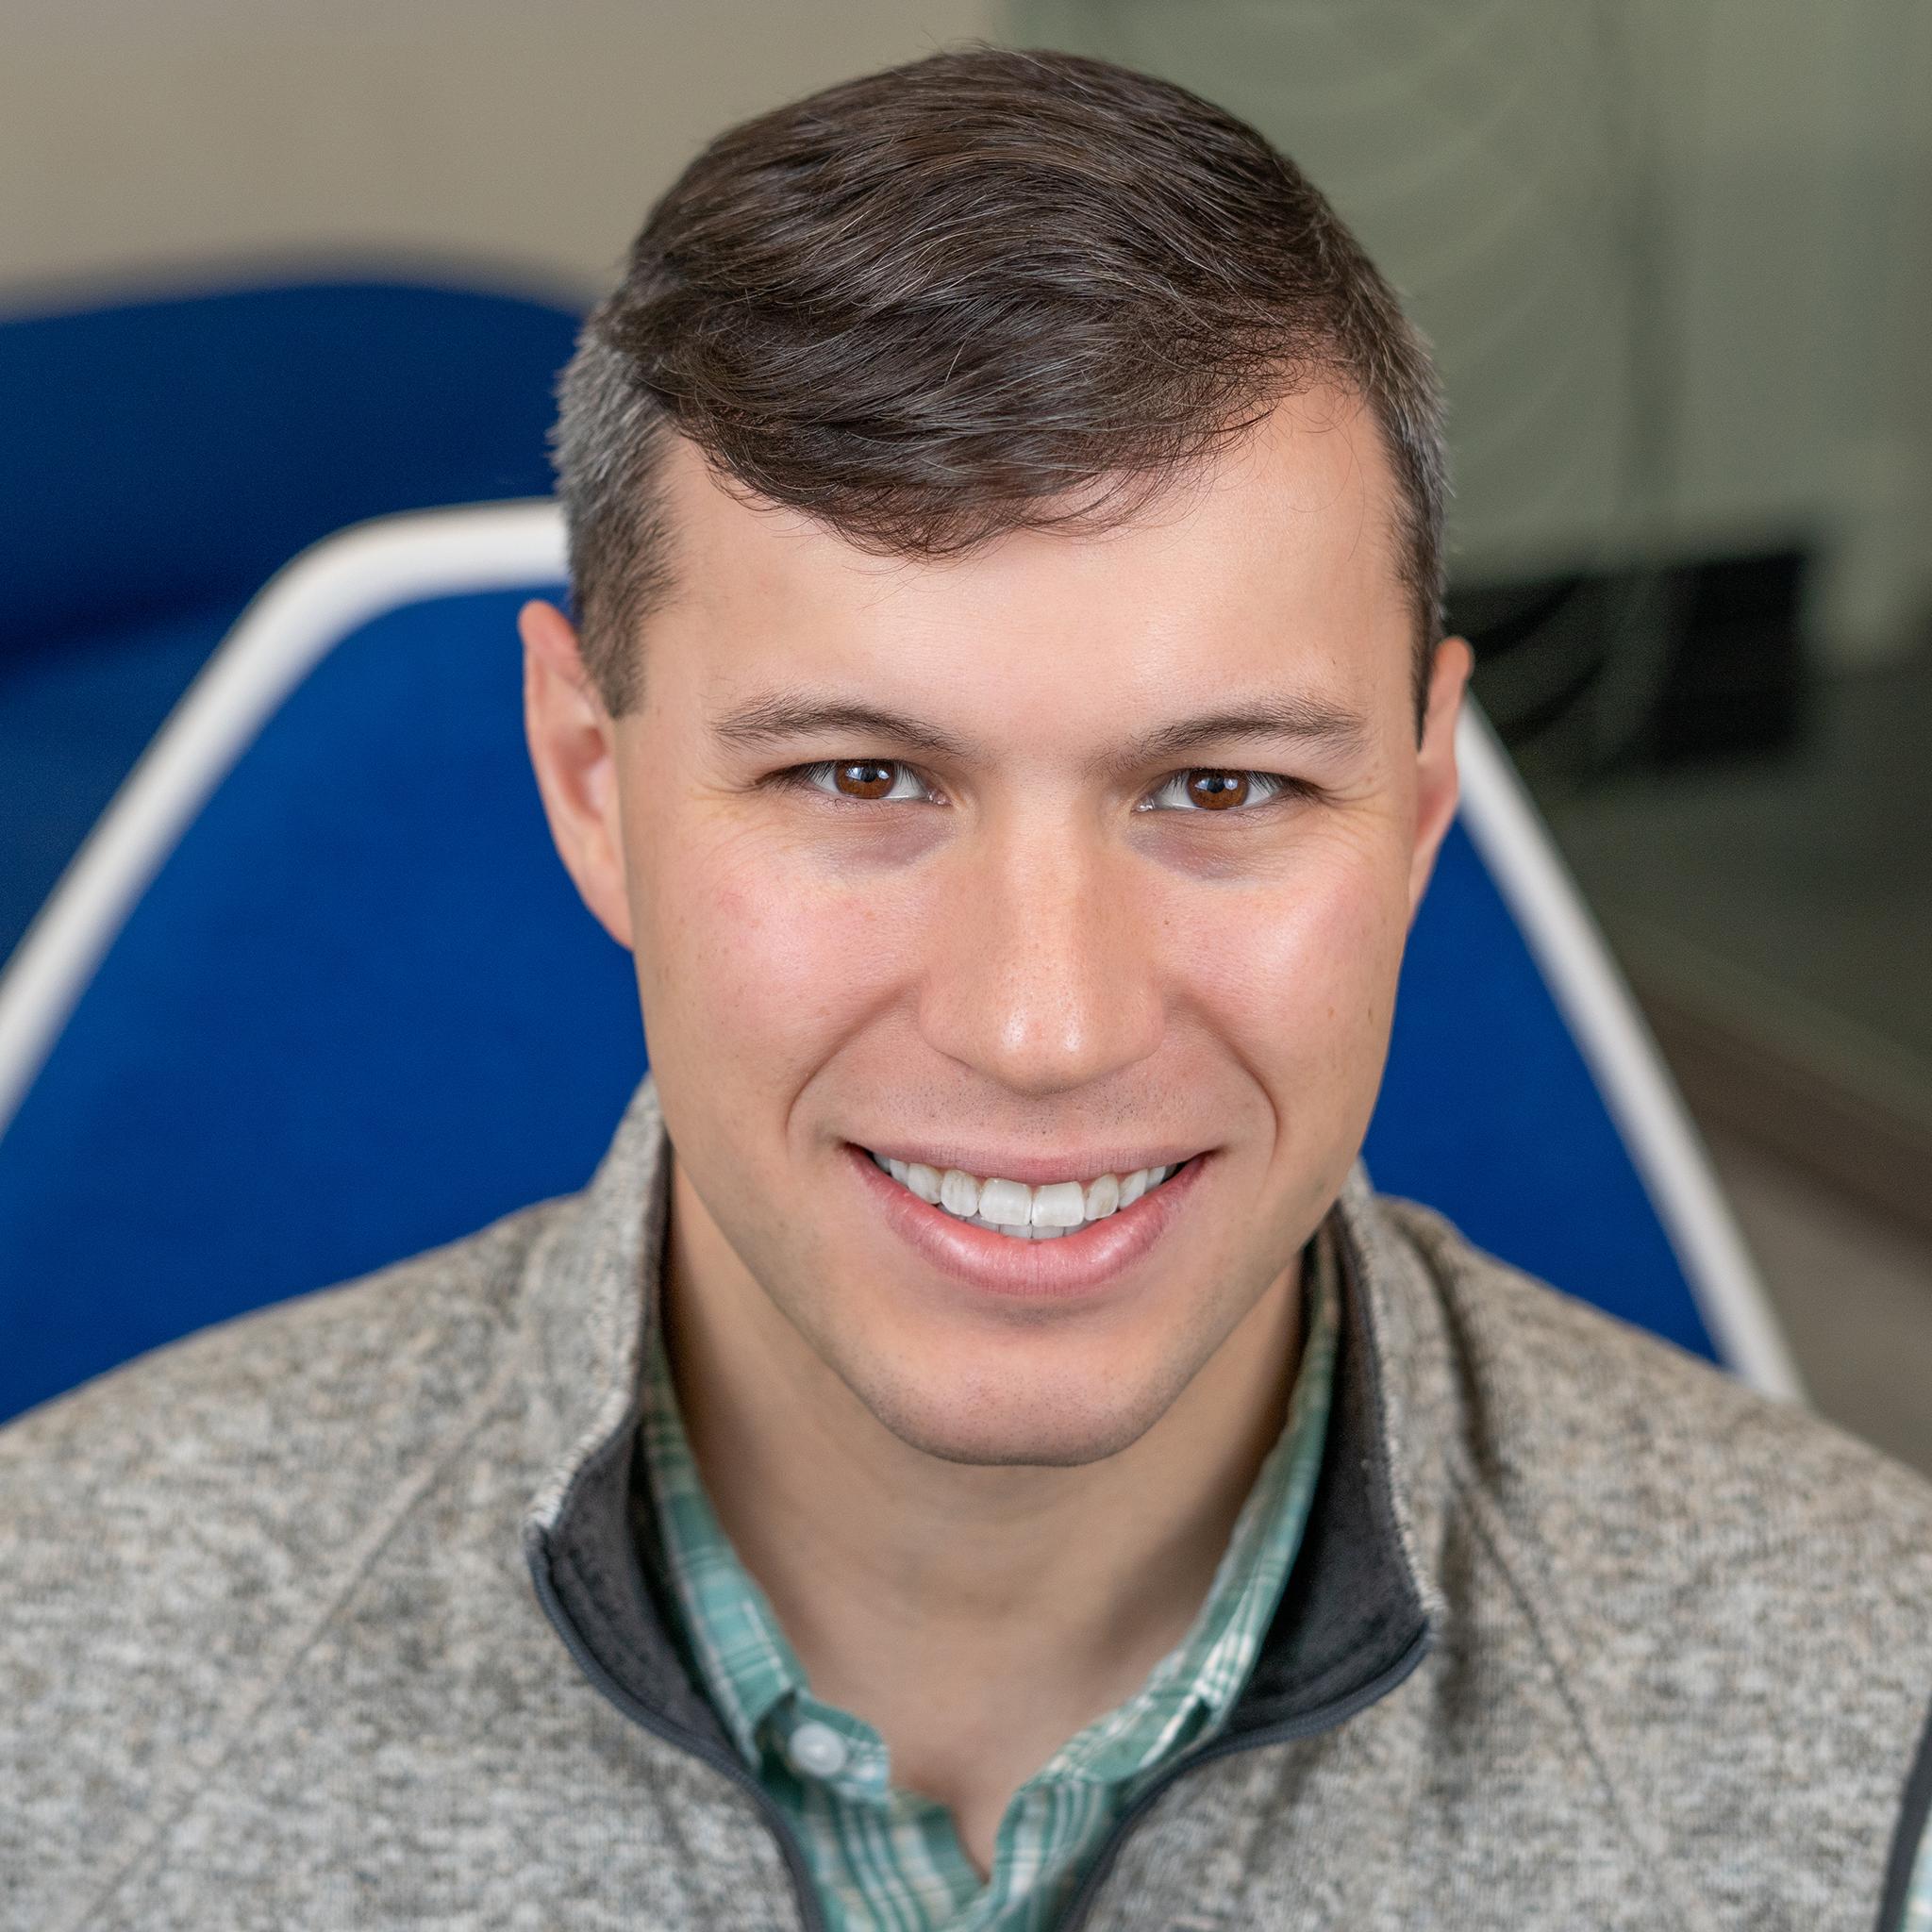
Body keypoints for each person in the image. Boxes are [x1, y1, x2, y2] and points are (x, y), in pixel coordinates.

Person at [4, 45, 1929, 1932]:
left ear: (1422, 806)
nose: (1044, 1027)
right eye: (859, 778)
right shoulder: (57, 1675)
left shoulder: (1875, 1735)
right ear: (592, 783)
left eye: (1220, 786)